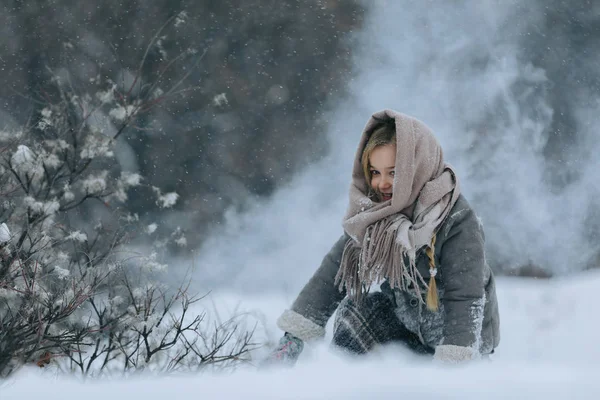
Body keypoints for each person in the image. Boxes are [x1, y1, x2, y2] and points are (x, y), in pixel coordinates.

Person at [265, 109, 500, 365]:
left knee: (456, 348)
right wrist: (294, 337)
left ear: (417, 167)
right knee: (355, 311)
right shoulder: (377, 214)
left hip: (459, 340)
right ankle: (347, 384)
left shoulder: (456, 219)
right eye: (375, 172)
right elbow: (334, 273)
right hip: (407, 328)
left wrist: (454, 364)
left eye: (393, 172)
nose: (382, 184)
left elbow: (465, 296)